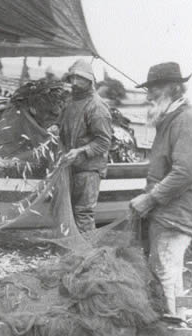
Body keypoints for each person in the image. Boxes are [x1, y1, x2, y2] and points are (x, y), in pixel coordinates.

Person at [130, 62, 192, 317]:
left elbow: (186, 172)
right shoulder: (172, 118)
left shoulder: (185, 120)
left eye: (155, 87)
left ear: (175, 88)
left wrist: (151, 198)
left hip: (179, 209)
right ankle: (176, 319)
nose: (149, 94)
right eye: (148, 88)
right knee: (169, 268)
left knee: (163, 268)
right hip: (170, 207)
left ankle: (168, 324)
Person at [58, 59, 113, 232]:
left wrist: (81, 151)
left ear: (90, 81)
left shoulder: (97, 107)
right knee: (68, 211)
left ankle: (87, 255)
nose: (74, 83)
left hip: (89, 169)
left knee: (83, 213)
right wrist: (55, 127)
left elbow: (104, 142)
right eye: (72, 78)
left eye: (79, 79)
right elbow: (62, 125)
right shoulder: (69, 102)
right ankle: (73, 250)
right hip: (70, 166)